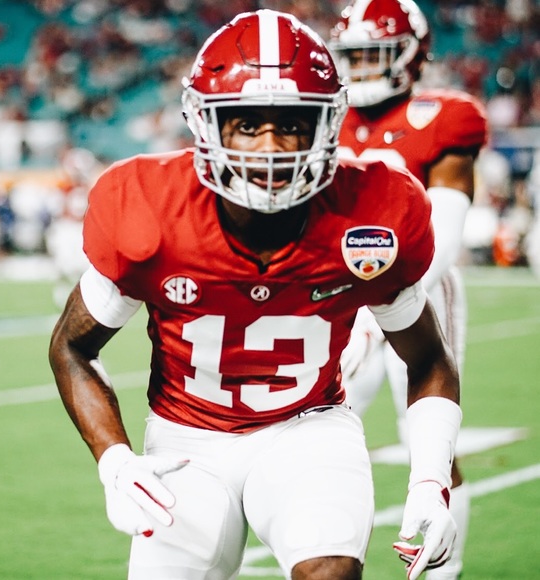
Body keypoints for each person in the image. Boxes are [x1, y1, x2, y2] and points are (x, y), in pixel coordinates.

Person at [49, 9, 462, 580]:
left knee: (330, 571)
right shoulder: (148, 208)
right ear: (206, 126)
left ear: (326, 125)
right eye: (246, 124)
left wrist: (431, 480)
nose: (270, 147)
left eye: (292, 123)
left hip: (309, 429)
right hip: (184, 439)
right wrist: (115, 459)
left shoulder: (372, 212)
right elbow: (72, 346)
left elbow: (429, 358)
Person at [329, 1, 488, 578]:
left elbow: (440, 241)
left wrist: (377, 315)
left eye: (375, 55)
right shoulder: (327, 114)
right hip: (334, 292)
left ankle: (445, 569)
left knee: (428, 439)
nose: (362, 68)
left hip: (420, 288)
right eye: (354, 56)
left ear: (411, 56)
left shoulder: (444, 116)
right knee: (319, 423)